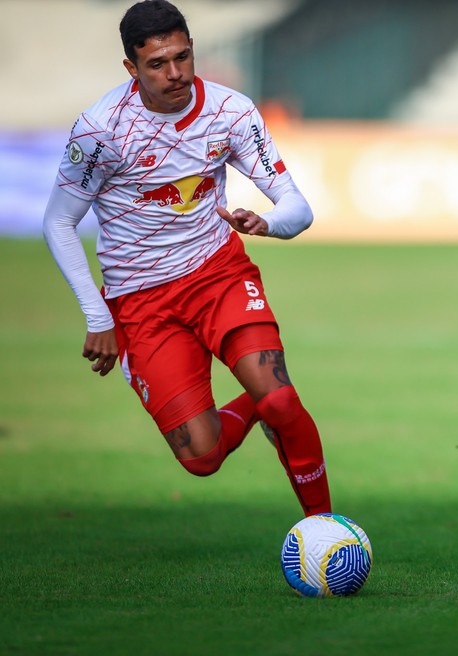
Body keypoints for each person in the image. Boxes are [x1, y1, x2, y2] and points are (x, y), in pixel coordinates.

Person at [42, 0, 331, 517]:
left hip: (217, 275)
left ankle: (326, 529)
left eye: (182, 57)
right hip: (140, 302)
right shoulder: (100, 130)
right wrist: (97, 314)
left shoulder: (231, 111)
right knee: (202, 458)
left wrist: (269, 223)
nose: (174, 74)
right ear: (132, 68)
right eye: (157, 64)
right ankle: (256, 403)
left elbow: (297, 206)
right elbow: (58, 222)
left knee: (283, 401)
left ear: (193, 49)